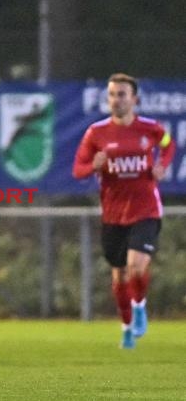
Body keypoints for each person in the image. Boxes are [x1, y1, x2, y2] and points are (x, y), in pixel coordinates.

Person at [73, 73, 175, 349]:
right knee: (119, 276)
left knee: (136, 266)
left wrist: (162, 164)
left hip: (146, 210)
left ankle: (140, 304)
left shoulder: (150, 129)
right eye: (112, 94)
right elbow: (78, 169)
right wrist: (94, 165)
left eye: (122, 94)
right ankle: (127, 325)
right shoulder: (96, 133)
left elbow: (168, 144)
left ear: (134, 99)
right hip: (113, 215)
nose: (116, 99)